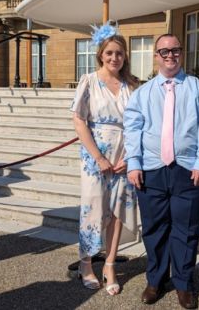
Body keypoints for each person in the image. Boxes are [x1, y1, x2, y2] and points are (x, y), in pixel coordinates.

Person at [123, 34, 199, 309]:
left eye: (175, 50)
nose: (170, 55)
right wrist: (133, 163)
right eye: (164, 51)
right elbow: (132, 131)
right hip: (151, 170)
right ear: (156, 56)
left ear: (181, 53)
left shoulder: (197, 89)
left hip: (189, 171)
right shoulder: (142, 93)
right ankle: (155, 280)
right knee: (154, 229)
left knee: (186, 230)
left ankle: (183, 283)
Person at [70, 22, 138, 295]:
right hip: (95, 156)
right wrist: (97, 157)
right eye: (109, 53)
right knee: (93, 209)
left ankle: (109, 264)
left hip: (124, 156)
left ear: (125, 57)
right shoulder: (88, 81)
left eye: (119, 53)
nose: (114, 58)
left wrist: (132, 157)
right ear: (101, 54)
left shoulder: (131, 85)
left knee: (118, 212)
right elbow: (79, 121)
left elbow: (140, 125)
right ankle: (86, 263)